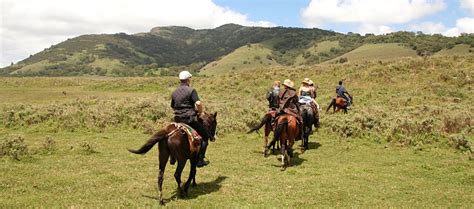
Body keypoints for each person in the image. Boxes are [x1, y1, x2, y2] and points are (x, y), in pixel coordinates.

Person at [171, 71, 211, 167]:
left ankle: (172, 158)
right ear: (188, 79)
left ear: (180, 80)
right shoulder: (191, 90)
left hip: (177, 120)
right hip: (189, 120)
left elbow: (172, 106)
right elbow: (198, 103)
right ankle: (200, 159)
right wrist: (200, 112)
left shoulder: (174, 92)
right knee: (205, 137)